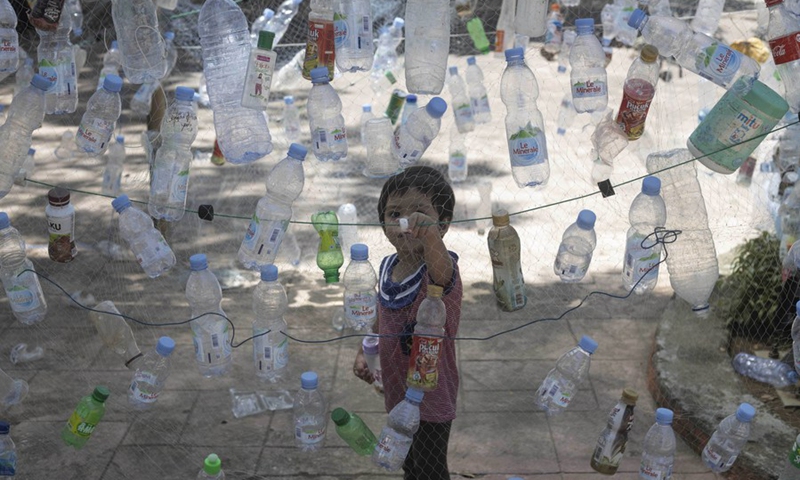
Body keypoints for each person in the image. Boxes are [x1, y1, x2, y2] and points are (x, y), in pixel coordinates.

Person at [353, 165, 462, 480]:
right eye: (395, 213)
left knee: (430, 469)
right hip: (397, 390)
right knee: (407, 461)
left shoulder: (440, 269)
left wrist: (429, 237)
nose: (407, 222)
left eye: (420, 213)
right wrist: (366, 350)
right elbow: (380, 313)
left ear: (444, 223)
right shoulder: (388, 265)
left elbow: (441, 273)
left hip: (430, 397)